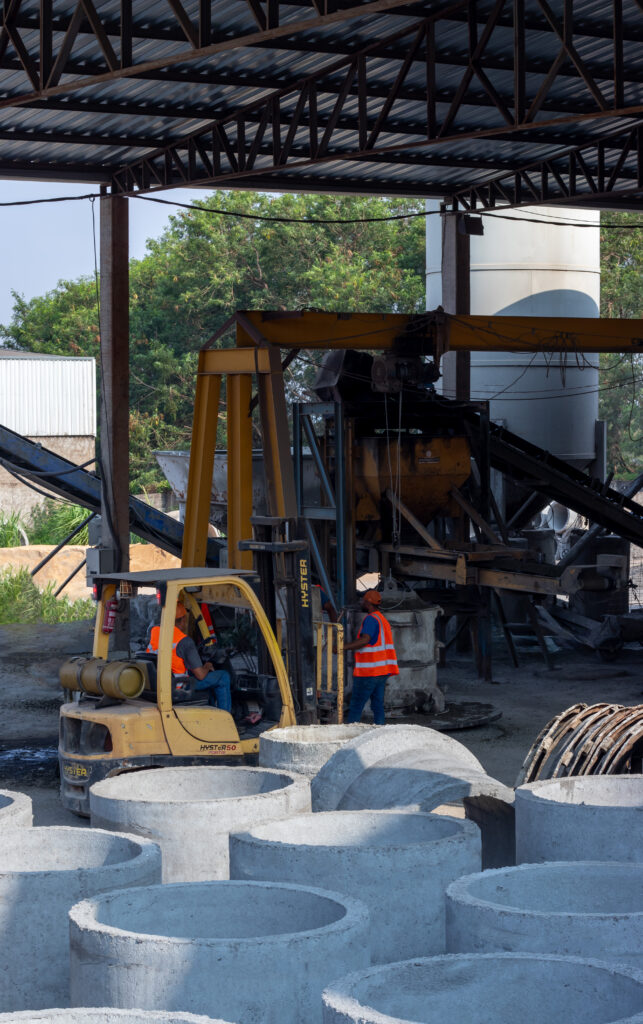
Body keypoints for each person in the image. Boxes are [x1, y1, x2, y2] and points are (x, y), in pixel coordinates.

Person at [147, 601, 232, 712]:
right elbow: (201, 675)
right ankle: (225, 719)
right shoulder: (184, 641)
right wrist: (207, 666)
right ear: (183, 620)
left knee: (193, 673)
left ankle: (210, 709)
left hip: (159, 683)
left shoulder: (154, 632)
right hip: (178, 687)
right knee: (223, 677)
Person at [343, 589, 399, 725]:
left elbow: (365, 640)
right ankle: (379, 733)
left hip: (369, 672)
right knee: (377, 705)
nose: (360, 602)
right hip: (382, 671)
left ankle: (349, 736)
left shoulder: (370, 619)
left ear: (368, 602)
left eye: (363, 600)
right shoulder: (382, 619)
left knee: (356, 705)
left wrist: (343, 647)